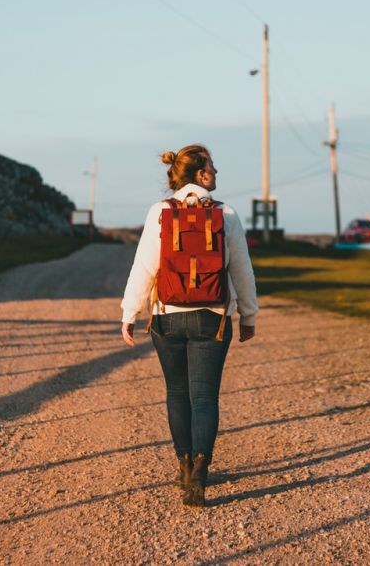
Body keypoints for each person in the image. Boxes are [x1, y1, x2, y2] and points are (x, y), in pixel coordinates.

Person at [121, 144, 258, 508]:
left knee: (177, 392)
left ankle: (183, 465)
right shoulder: (225, 213)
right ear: (200, 174)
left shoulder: (160, 212)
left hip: (167, 316)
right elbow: (241, 270)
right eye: (213, 166)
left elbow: (145, 266)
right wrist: (249, 314)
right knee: (204, 395)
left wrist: (129, 312)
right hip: (212, 318)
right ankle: (201, 466)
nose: (217, 172)